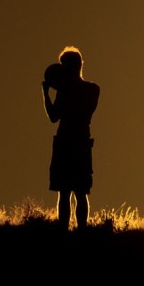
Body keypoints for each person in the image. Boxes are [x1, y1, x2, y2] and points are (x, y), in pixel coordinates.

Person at [42, 46, 100, 231]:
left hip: (67, 142)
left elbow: (53, 117)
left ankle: (64, 231)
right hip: (80, 143)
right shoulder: (92, 89)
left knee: (66, 192)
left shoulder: (68, 92)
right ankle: (80, 230)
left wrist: (45, 93)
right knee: (79, 192)